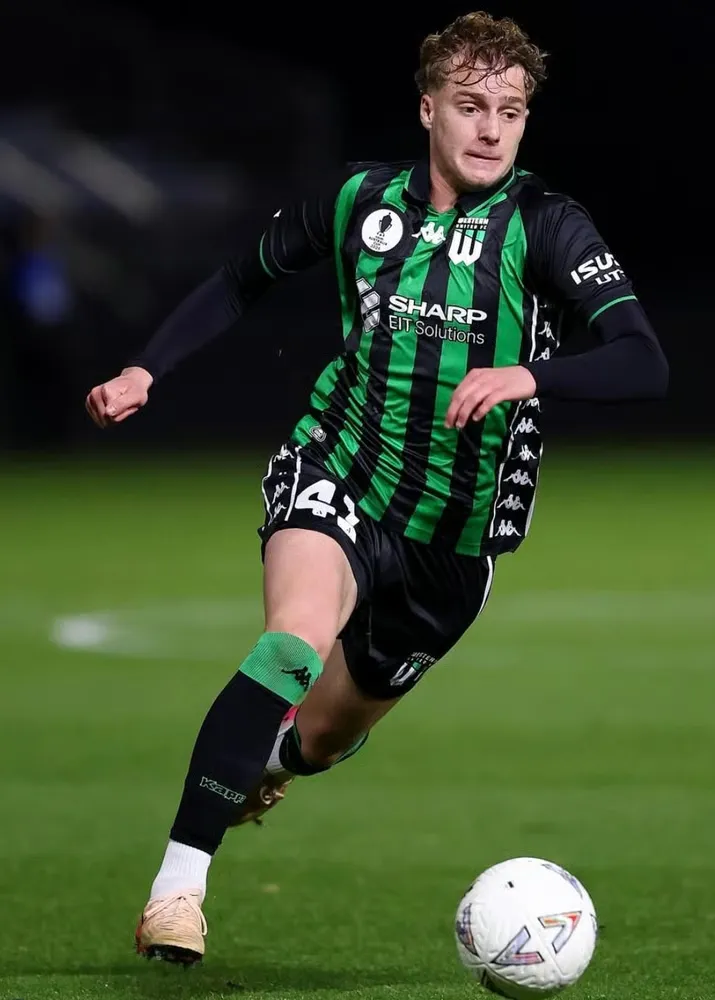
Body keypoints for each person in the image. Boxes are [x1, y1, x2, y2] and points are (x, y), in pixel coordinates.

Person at [85, 11, 668, 966]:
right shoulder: (362, 202)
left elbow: (644, 361)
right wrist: (149, 367)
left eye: (510, 111)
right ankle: (176, 892)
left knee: (319, 739)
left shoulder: (546, 225)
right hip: (340, 470)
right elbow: (240, 278)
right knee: (291, 643)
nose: (490, 129)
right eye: (470, 105)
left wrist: (528, 375)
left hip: (454, 545)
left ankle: (266, 764)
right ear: (428, 107)